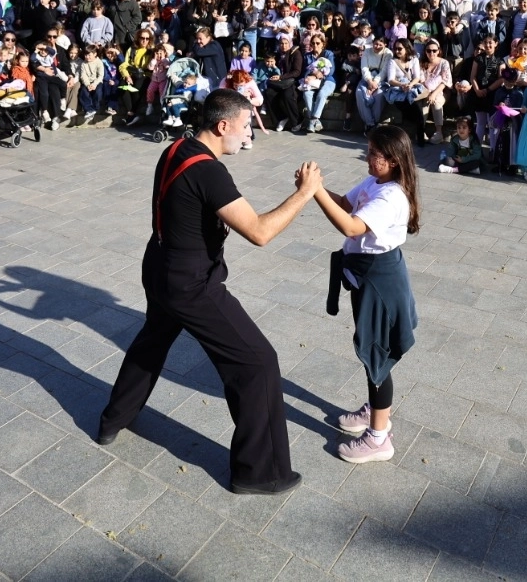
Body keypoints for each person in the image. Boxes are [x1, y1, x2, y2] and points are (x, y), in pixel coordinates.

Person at [98, 89, 322, 495]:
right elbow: (259, 231)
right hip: (191, 283)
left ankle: (113, 419)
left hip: (160, 265)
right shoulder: (209, 172)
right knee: (258, 362)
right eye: (245, 126)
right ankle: (261, 473)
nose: (249, 134)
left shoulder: (176, 147)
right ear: (223, 126)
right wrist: (305, 193)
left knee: (152, 342)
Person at [312, 124, 419, 464]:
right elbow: (345, 204)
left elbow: (350, 225)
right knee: (372, 350)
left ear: (394, 160)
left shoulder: (391, 196)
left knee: (377, 355)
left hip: (380, 281)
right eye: (369, 150)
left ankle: (378, 438)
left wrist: (314, 192)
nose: (368, 157)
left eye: (375, 153)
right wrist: (316, 188)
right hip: (366, 275)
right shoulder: (375, 182)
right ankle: (376, 410)